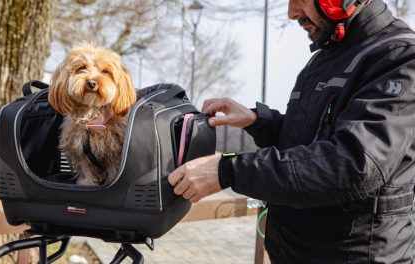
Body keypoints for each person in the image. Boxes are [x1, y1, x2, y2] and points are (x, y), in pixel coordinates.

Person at [168, 0, 415, 263]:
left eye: (299, 0)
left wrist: (227, 170)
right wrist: (256, 121)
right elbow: (307, 144)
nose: (291, 13)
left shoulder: (399, 57)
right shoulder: (324, 58)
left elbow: (352, 164)